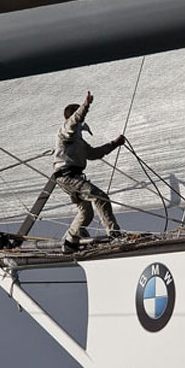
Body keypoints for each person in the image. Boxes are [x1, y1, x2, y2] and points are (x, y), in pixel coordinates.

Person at [53, 91, 125, 253]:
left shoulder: (78, 141)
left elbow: (94, 154)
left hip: (70, 178)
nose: (83, 120)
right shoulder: (65, 131)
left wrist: (114, 144)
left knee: (86, 213)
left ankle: (70, 242)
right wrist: (86, 105)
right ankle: (114, 234)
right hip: (68, 176)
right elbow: (74, 120)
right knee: (101, 197)